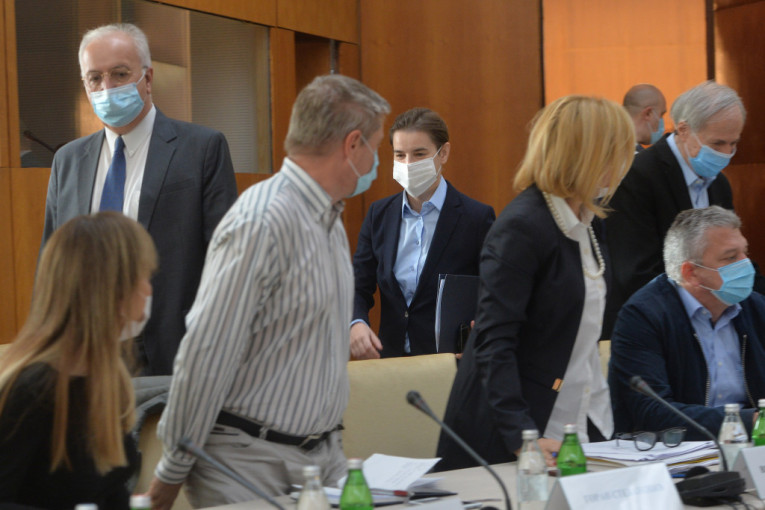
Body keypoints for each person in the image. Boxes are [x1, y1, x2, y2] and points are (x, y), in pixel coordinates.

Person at [147, 74, 390, 509]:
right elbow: (206, 354)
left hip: (323, 459)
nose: (377, 161)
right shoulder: (261, 221)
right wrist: (171, 472)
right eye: (376, 147)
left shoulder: (330, 219)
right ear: (352, 145)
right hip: (246, 464)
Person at [436, 96, 635, 470]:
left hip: (586, 416)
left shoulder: (591, 222)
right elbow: (494, 341)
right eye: (615, 151)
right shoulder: (522, 227)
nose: (624, 162)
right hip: (518, 430)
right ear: (583, 153)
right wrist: (521, 436)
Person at [41, 23, 238, 375]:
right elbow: (52, 262)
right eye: (95, 78)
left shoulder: (201, 149)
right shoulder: (67, 161)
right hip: (84, 354)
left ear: (147, 78)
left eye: (120, 74)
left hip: (172, 350)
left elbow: (226, 259)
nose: (107, 88)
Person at [0, 212, 157, 509]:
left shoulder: (107, 377)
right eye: (143, 276)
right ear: (110, 288)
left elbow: (107, 491)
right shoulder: (31, 389)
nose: (149, 290)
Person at [603, 81, 765, 339]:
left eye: (733, 143)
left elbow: (731, 256)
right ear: (684, 130)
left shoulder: (719, 184)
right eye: (717, 144)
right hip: (657, 327)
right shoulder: (637, 178)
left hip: (713, 324)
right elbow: (636, 273)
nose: (726, 154)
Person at [350, 107, 495, 359]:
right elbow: (357, 285)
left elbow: (494, 290)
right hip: (392, 363)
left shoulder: (476, 218)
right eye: (400, 155)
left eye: (419, 154)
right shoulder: (379, 215)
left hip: (451, 363)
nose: (408, 164)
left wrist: (479, 335)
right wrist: (356, 322)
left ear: (443, 153)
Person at [609, 206, 765, 438]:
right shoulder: (643, 316)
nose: (746, 265)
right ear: (691, 272)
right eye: (731, 257)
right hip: (675, 450)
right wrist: (749, 421)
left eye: (745, 252)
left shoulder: (756, 308)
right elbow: (651, 413)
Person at [622, 84, 667, 152]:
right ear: (648, 113)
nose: (662, 122)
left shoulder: (608, 145)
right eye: (661, 115)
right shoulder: (633, 156)